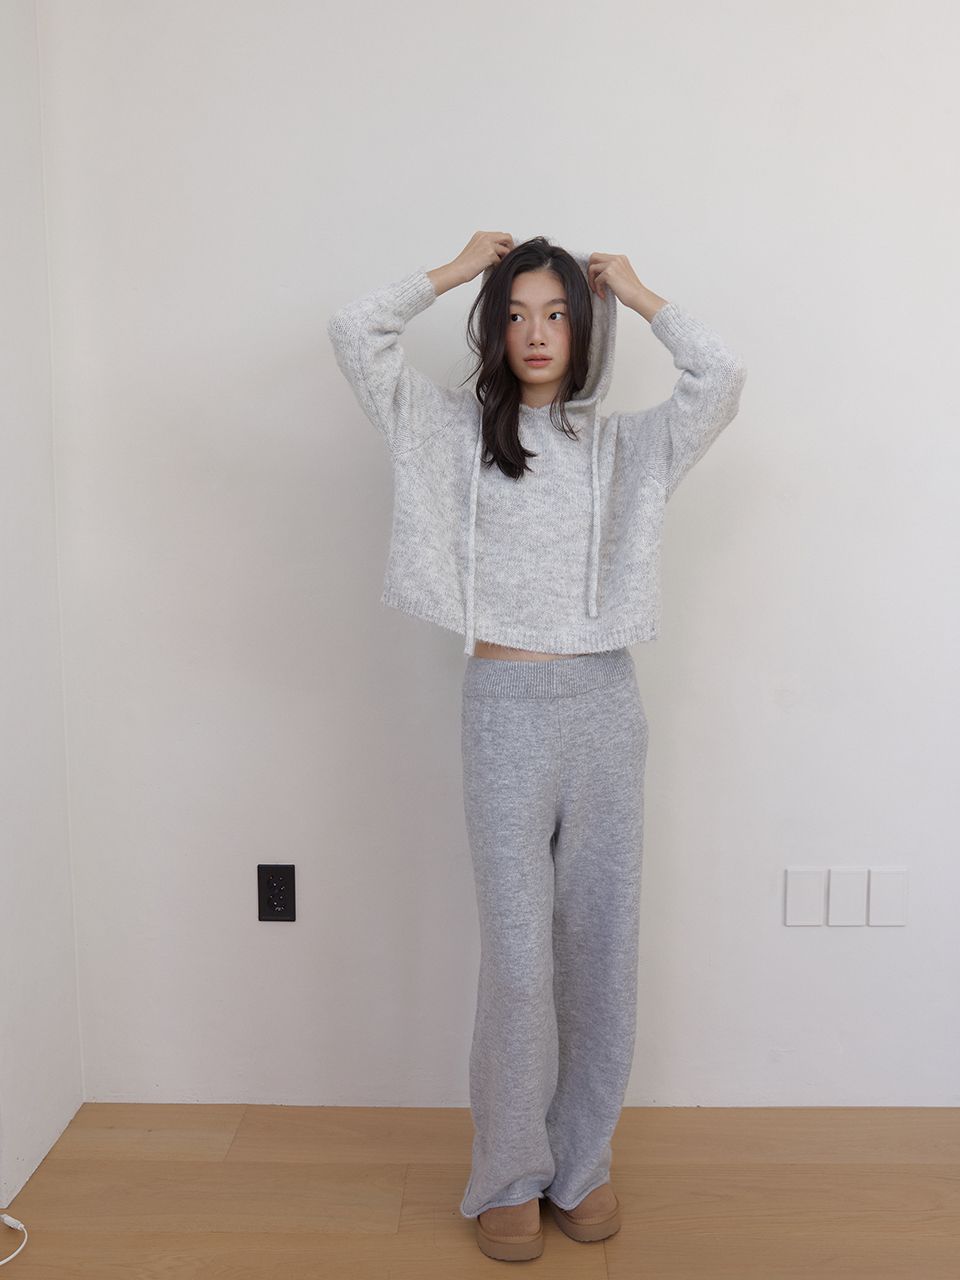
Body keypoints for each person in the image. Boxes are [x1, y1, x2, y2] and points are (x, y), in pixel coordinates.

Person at [327, 232, 747, 1260]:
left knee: (600, 951)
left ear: (583, 326)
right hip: (504, 710)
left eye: (556, 313)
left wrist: (638, 291)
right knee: (519, 962)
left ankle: (581, 1163)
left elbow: (721, 377)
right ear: (493, 328)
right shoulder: (448, 431)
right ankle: (508, 1173)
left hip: (605, 706)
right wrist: (454, 269)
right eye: (515, 314)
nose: (536, 333)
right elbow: (354, 332)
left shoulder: (624, 448)